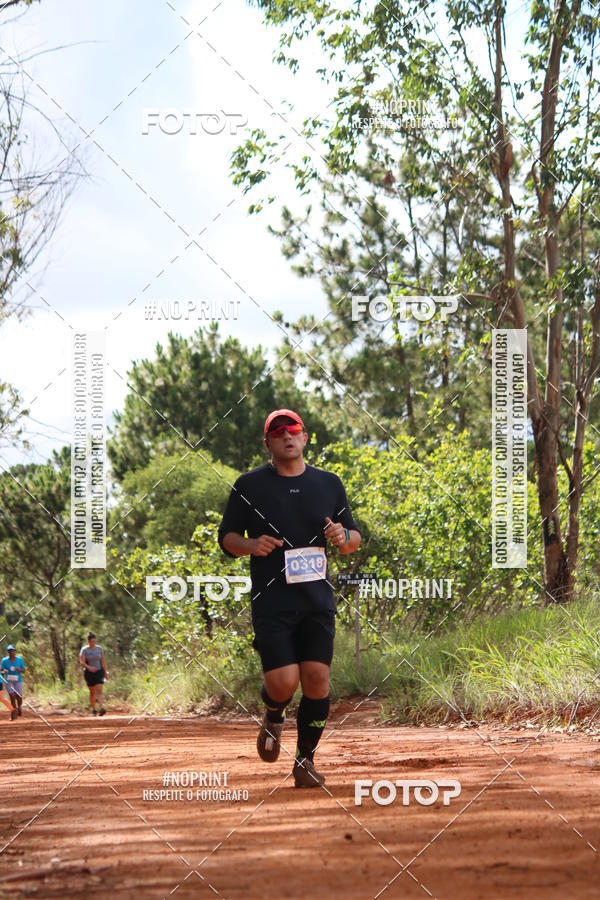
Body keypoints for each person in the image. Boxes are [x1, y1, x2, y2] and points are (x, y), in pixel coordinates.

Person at [218, 408, 361, 788]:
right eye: (277, 431)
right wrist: (251, 544)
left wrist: (341, 539)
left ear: (305, 437)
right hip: (273, 602)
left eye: (293, 429)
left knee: (316, 679)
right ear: (268, 442)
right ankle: (273, 711)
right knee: (283, 683)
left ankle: (304, 761)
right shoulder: (248, 486)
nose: (287, 435)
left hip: (316, 600)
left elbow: (353, 537)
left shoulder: (328, 483)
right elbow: (227, 538)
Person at [79, 632, 109, 716]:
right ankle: (94, 709)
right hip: (89, 673)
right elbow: (82, 662)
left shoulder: (99, 649)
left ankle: (101, 707)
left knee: (99, 689)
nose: (93, 643)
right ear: (88, 641)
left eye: (94, 641)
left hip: (99, 671)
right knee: (92, 692)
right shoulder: (84, 650)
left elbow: (103, 661)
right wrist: (89, 667)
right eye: (92, 642)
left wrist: (105, 672)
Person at [1, 645, 26, 720]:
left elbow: (24, 670)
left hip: (18, 681)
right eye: (10, 651)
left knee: (19, 697)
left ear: (14, 651)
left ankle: (19, 707)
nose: (11, 652)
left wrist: (19, 669)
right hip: (9, 681)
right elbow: (1, 671)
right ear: (8, 652)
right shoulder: (4, 660)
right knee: (12, 696)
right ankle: (13, 713)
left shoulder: (20, 660)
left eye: (13, 651)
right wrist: (4, 671)